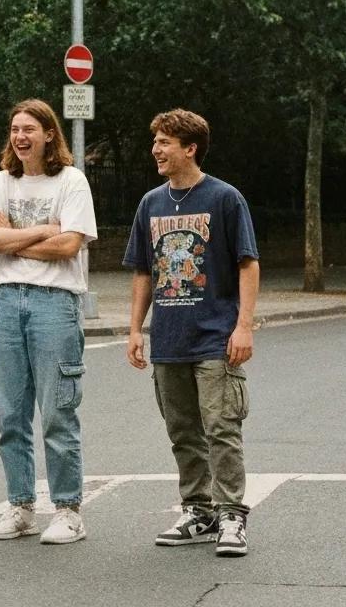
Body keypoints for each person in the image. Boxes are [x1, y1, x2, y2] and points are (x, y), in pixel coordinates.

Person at [124, 108, 259, 557]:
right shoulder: (151, 203)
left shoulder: (224, 198)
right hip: (169, 339)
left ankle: (231, 516)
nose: (156, 150)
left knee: (221, 428)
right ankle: (198, 510)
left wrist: (243, 327)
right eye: (156, 141)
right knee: (182, 430)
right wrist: (135, 330)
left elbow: (248, 263)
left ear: (190, 148)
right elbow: (144, 271)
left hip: (215, 337)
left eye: (164, 142)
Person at [0, 98, 97, 545]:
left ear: (50, 134)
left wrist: (17, 240)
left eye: (30, 129)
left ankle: (68, 510)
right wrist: (46, 230)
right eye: (15, 129)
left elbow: (69, 247)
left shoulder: (72, 181)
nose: (20, 137)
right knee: (11, 414)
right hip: (8, 301)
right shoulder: (0, 182)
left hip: (55, 303)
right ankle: (21, 506)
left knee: (57, 413)